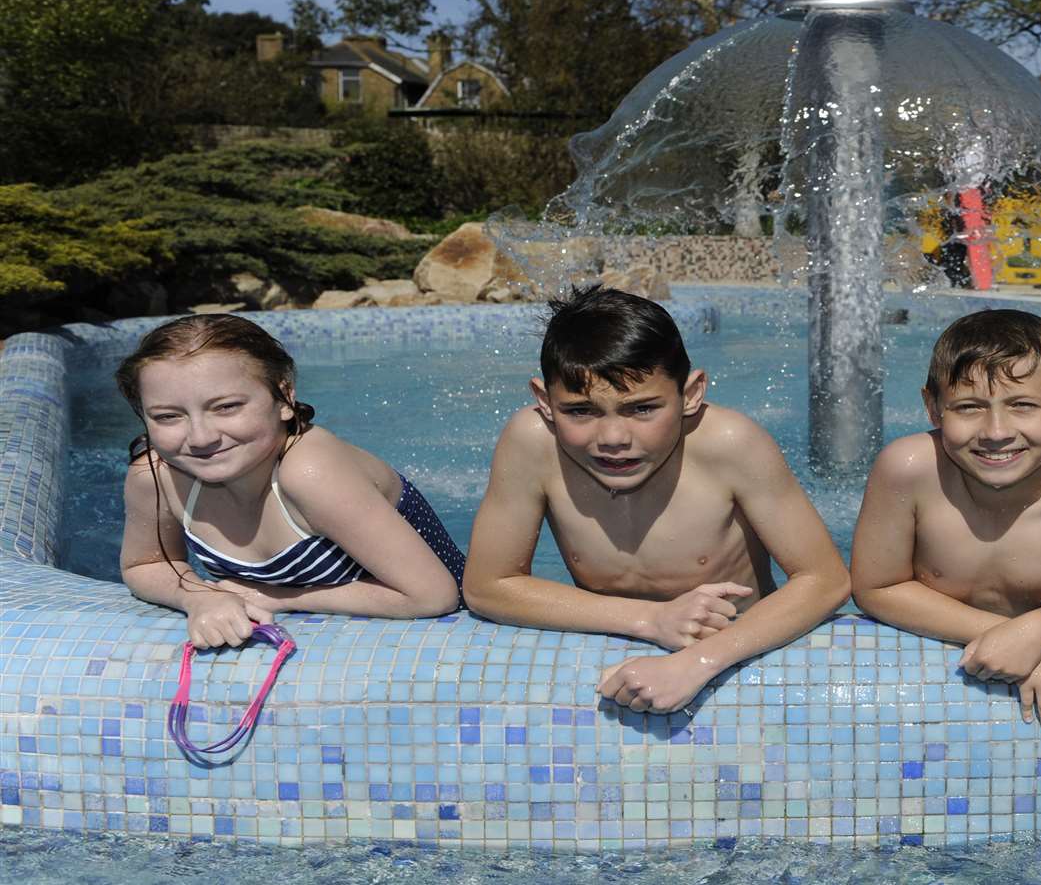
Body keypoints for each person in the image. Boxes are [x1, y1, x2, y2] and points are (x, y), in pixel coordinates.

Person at [464, 286, 850, 713]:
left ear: (690, 394)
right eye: (580, 411)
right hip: (619, 650)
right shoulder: (532, 444)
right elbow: (487, 586)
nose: (613, 439)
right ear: (545, 402)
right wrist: (651, 620)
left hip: (738, 656)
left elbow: (825, 580)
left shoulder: (729, 445)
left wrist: (699, 662)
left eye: (642, 409)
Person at [850, 310, 1041, 737]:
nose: (996, 431)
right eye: (969, 407)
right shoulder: (908, 471)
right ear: (933, 407)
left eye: (1022, 405)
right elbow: (875, 587)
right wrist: (1018, 635)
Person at [117, 315, 465, 649]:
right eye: (167, 416)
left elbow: (433, 595)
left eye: (226, 408)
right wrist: (200, 597)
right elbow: (145, 564)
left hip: (457, 637)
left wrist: (275, 598)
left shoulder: (309, 472)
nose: (200, 436)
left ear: (284, 398)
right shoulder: (157, 477)